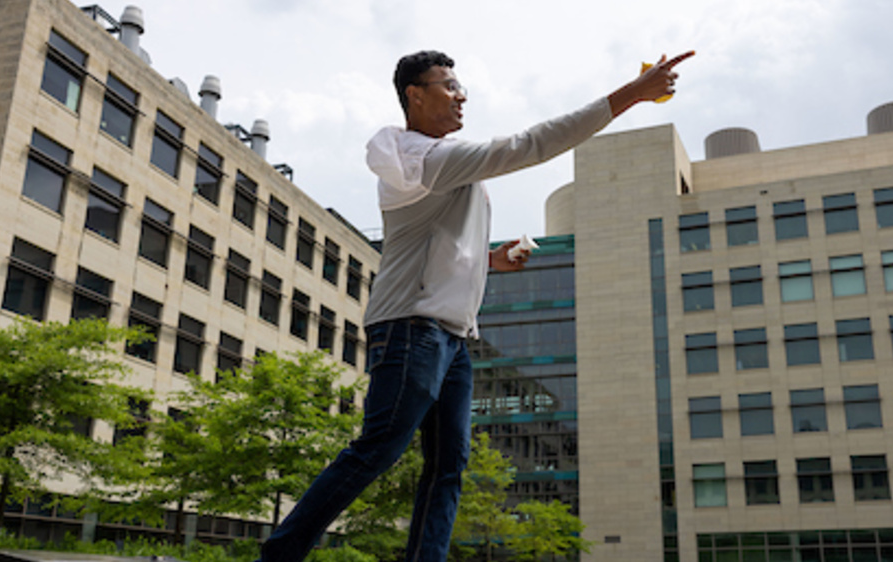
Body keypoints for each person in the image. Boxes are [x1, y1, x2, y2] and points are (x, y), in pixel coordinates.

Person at [257, 48, 694, 562]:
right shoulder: (431, 158)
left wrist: (490, 259)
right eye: (448, 85)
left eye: (462, 86)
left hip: (452, 338)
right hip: (411, 329)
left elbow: (435, 245)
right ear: (414, 96)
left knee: (448, 467)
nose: (461, 95)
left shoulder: (430, 162)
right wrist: (631, 95)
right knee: (377, 450)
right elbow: (531, 144)